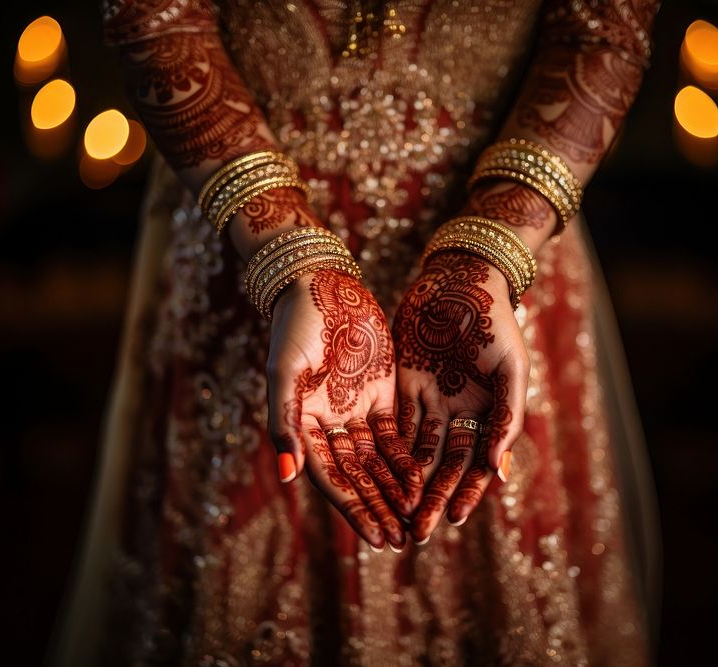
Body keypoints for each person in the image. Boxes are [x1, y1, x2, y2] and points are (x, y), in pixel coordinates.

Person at [51, 1, 662, 664]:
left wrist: (487, 251)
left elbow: (604, 31)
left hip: (494, 287)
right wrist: (290, 256)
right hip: (248, 258)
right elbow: (160, 20)